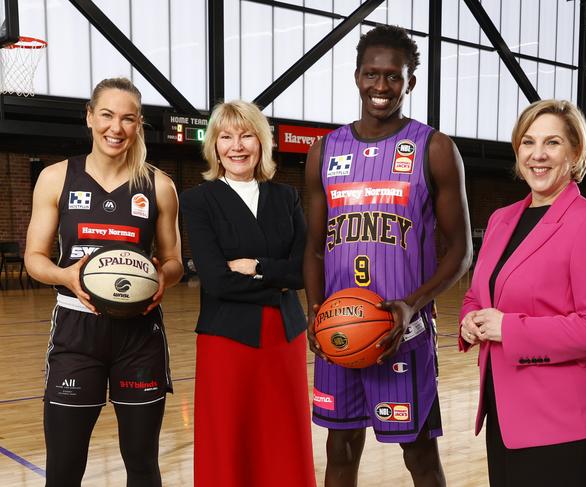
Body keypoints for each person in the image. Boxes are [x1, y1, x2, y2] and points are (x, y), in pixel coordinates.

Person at [304, 25, 472, 487]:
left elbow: (460, 251)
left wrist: (410, 304)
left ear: (410, 81)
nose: (381, 87)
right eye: (372, 75)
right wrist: (316, 311)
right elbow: (315, 249)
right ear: (357, 77)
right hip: (340, 329)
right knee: (338, 451)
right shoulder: (324, 151)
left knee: (419, 456)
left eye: (393, 77)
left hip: (405, 332)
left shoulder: (434, 148)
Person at [459, 99, 586, 487]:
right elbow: (479, 294)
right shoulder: (502, 220)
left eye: (552, 143)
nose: (538, 155)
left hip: (571, 420)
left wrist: (510, 329)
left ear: (574, 153)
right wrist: (471, 320)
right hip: (506, 412)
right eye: (528, 142)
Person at [24, 77, 184, 486]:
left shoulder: (159, 186)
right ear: (90, 117)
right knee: (64, 466)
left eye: (128, 119)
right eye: (108, 115)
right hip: (77, 330)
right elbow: (34, 259)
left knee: (142, 462)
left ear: (138, 124)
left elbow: (174, 262)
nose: (116, 128)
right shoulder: (57, 178)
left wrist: (160, 278)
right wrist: (65, 276)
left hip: (139, 332)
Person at [180, 100, 316, 487]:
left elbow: (305, 270)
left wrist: (258, 266)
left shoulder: (285, 197)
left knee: (283, 436)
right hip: (228, 339)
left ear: (262, 142)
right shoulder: (198, 200)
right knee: (229, 438)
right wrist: (280, 280)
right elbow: (217, 280)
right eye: (226, 137)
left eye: (246, 135)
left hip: (284, 337)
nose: (236, 146)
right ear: (214, 145)